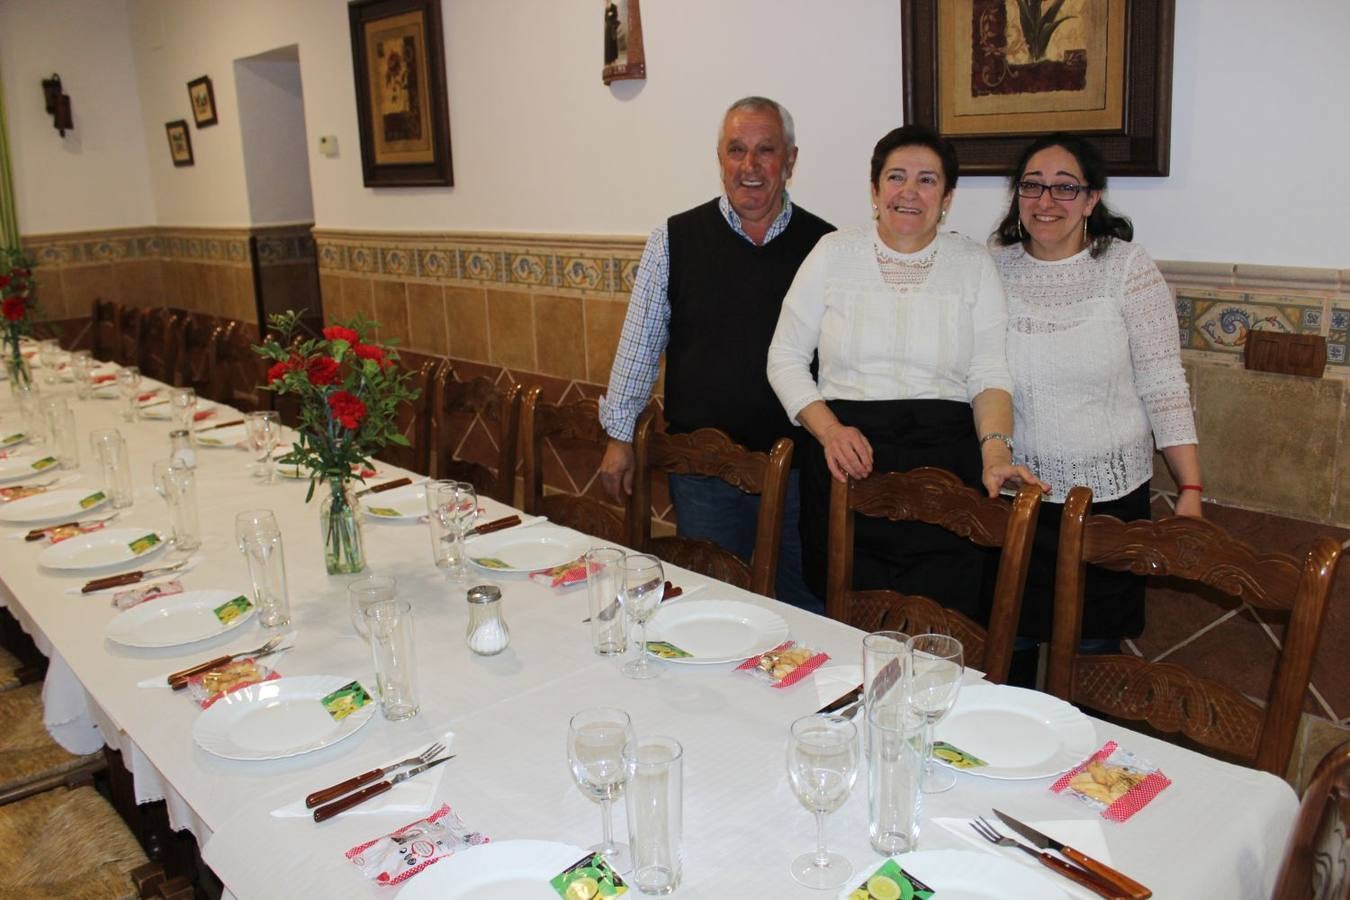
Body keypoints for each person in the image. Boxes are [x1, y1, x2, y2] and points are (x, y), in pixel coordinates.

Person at [767, 125, 1044, 618]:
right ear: (874, 191)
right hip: (846, 462)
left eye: (927, 180)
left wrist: (995, 452)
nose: (909, 192)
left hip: (946, 473)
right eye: (896, 177)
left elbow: (989, 371)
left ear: (948, 197)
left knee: (940, 629)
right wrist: (829, 432)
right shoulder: (833, 253)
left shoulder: (973, 264)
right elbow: (784, 357)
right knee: (847, 629)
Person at [598, 96, 835, 613]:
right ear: (720, 159)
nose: (749, 167)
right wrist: (619, 437)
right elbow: (639, 343)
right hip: (703, 472)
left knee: (802, 610)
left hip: (799, 475)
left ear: (790, 160)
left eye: (765, 151)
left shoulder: (827, 247)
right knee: (710, 606)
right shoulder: (673, 239)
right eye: (736, 150)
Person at [990, 132, 1201, 652]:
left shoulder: (1126, 267)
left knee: (1091, 663)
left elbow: (1164, 383)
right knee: (1008, 650)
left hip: (1109, 503)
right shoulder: (993, 266)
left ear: (1091, 199)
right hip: (1017, 497)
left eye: (1065, 188)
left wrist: (1191, 489)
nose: (1045, 201)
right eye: (1032, 186)